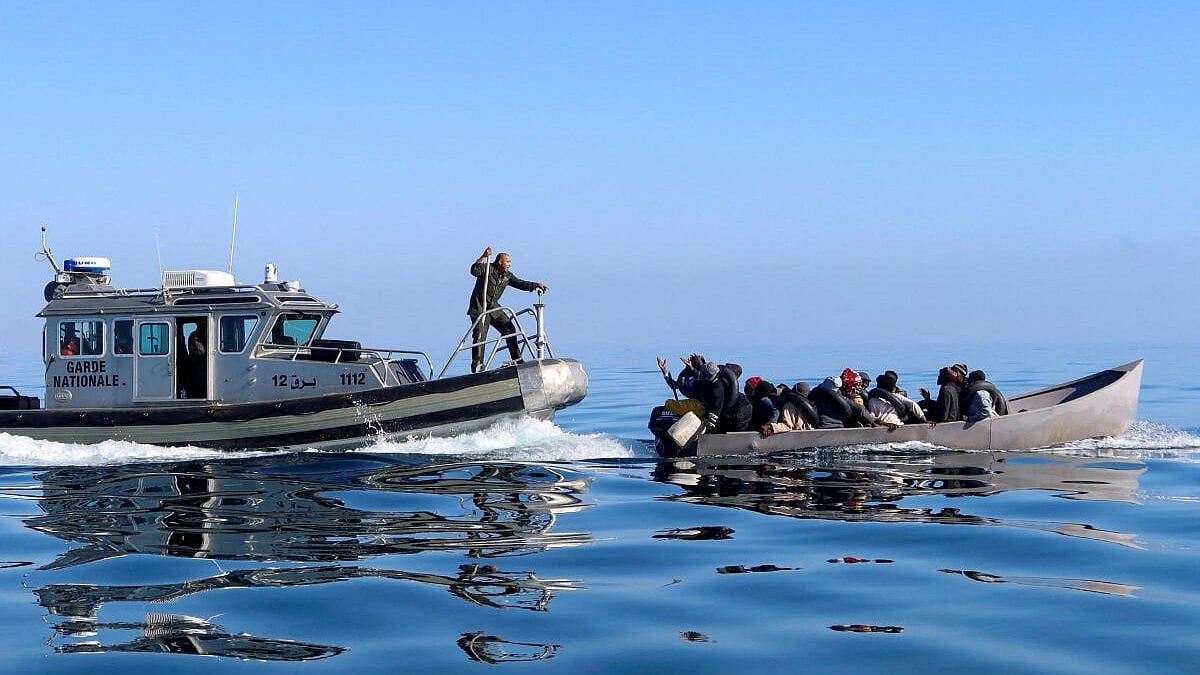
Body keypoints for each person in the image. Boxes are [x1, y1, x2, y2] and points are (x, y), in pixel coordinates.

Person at [467, 247, 548, 373]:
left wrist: (535, 285)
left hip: (493, 308)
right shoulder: (487, 269)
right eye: (508, 262)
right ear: (500, 262)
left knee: (510, 329)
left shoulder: (507, 276)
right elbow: (474, 270)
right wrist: (484, 256)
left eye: (510, 262)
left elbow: (519, 283)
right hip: (479, 308)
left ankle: (517, 360)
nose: (509, 264)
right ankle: (477, 366)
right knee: (480, 337)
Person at [694, 361, 752, 433]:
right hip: (729, 411)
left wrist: (710, 425)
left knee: (731, 424)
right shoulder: (715, 384)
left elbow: (716, 407)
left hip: (739, 413)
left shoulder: (718, 388)